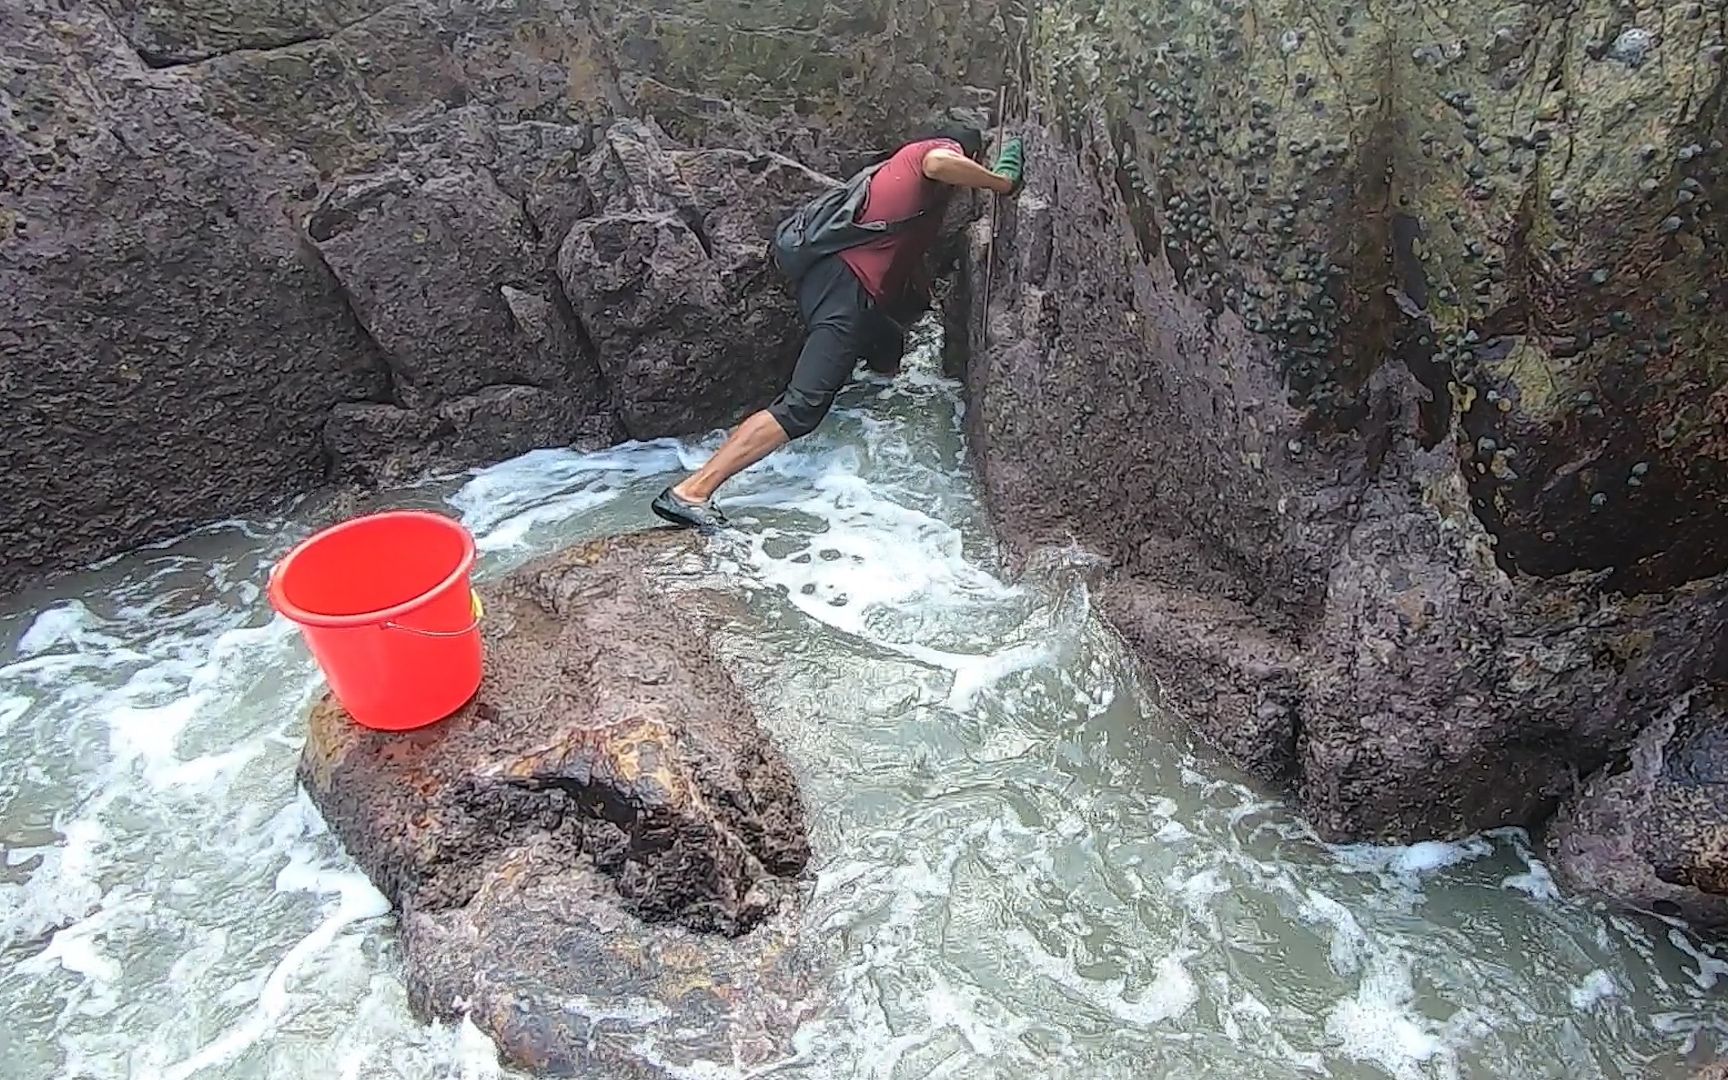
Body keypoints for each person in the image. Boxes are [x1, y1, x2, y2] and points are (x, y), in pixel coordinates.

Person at [650, 126, 1028, 531]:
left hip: (846, 288)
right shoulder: (934, 151)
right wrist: (999, 182)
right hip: (844, 289)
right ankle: (692, 491)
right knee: (802, 406)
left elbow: (899, 252)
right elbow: (939, 161)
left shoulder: (902, 184)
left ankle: (862, 421)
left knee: (888, 342)